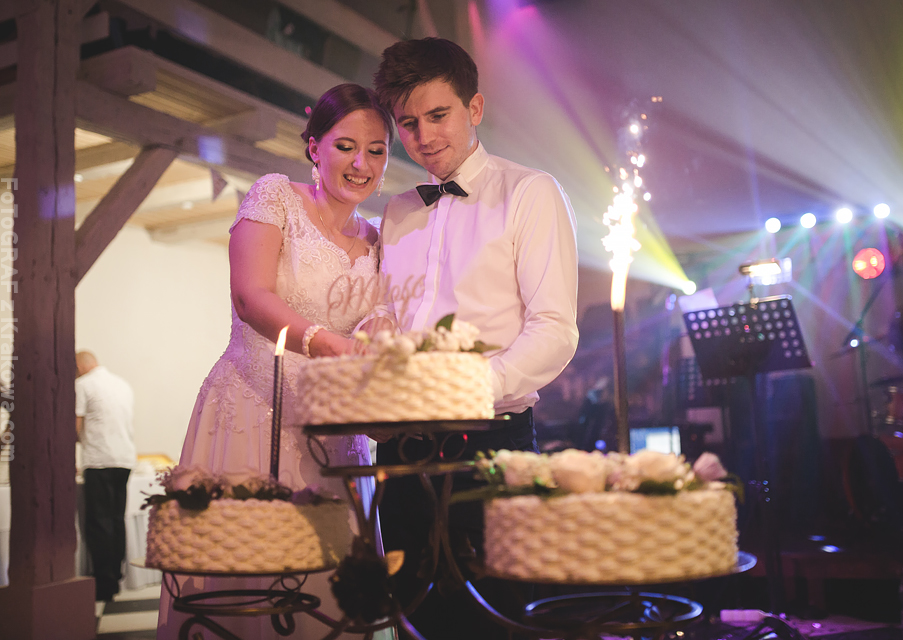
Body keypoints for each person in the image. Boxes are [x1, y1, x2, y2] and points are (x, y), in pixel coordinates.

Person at [157, 83, 395, 640]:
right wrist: (328, 343)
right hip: (253, 407)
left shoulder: (381, 239)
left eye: (376, 150)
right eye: (345, 147)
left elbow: (379, 325)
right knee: (249, 572)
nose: (361, 164)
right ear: (314, 147)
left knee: (331, 586)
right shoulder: (276, 197)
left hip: (335, 431)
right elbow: (251, 296)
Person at [373, 37, 579, 639]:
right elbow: (388, 318)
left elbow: (554, 329)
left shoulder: (530, 191)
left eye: (438, 115)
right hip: (402, 446)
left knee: (498, 617)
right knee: (413, 614)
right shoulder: (397, 210)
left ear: (475, 108)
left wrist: (470, 386)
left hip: (491, 440)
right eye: (408, 123)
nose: (423, 136)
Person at [75, 350, 137, 603]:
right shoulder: (122, 384)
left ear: (79, 366)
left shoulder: (83, 384)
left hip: (99, 460)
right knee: (116, 520)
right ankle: (116, 576)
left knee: (99, 522)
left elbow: (76, 426)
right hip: (124, 459)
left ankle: (104, 583)